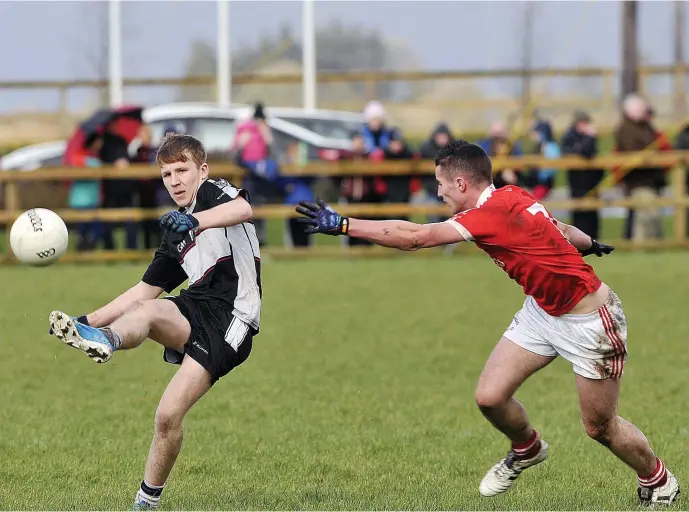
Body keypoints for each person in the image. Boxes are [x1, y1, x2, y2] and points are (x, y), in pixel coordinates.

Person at [295, 140, 680, 506]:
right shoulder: (512, 194)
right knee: (490, 397)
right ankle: (527, 447)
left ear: (461, 183)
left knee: (599, 427)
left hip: (590, 322)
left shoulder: (486, 214)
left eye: (441, 185)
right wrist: (589, 242)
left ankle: (658, 479)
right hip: (543, 311)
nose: (439, 193)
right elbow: (559, 228)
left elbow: (417, 237)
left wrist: (345, 225)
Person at [48, 133, 262, 510]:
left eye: (182, 170)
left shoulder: (213, 192)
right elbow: (143, 291)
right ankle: (105, 339)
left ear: (202, 170)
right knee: (148, 313)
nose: (175, 180)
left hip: (233, 319)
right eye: (167, 174)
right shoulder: (174, 230)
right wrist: (85, 321)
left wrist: (193, 221)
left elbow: (243, 211)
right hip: (195, 305)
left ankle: (147, 499)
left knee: (168, 414)